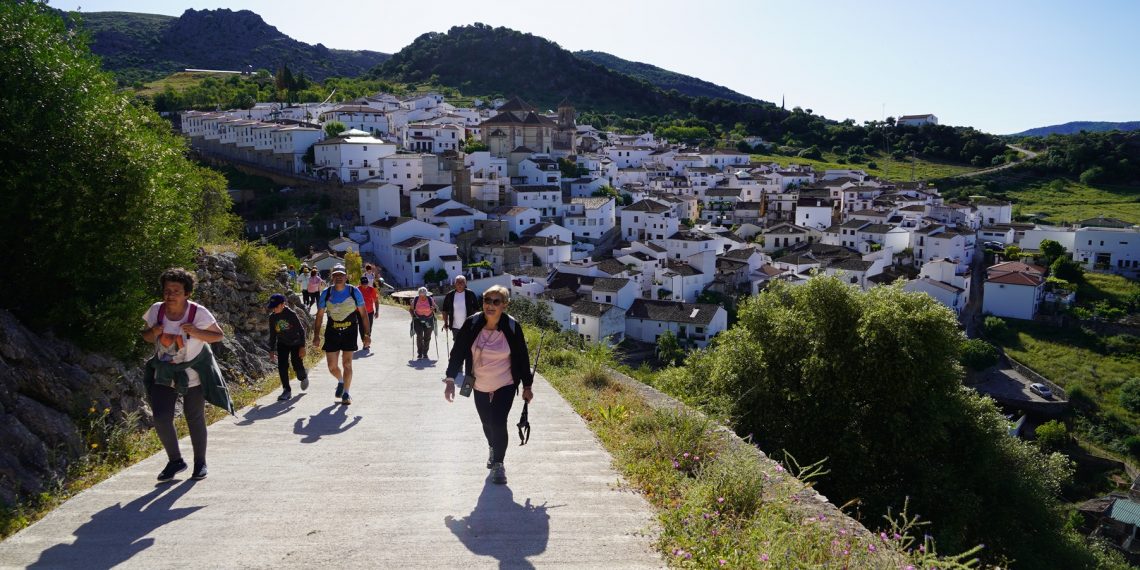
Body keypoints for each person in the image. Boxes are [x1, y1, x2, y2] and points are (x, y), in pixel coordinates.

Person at [141, 268, 233, 482]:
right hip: (164, 372)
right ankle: (175, 461)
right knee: (161, 417)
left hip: (194, 372)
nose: (170, 294)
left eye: (176, 290)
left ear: (187, 293)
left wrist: (196, 332)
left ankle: (200, 463)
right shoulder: (156, 310)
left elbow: (218, 336)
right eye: (167, 290)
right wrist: (153, 332)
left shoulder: (198, 313)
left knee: (195, 418)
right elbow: (146, 337)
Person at [444, 285, 534, 485]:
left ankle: (499, 464)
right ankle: (493, 447)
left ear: (504, 305)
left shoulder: (511, 327)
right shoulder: (473, 323)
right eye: (487, 301)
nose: (490, 306)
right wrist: (450, 379)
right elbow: (458, 352)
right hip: (478, 382)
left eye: (496, 302)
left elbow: (522, 357)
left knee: (498, 421)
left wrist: (527, 386)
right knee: (487, 423)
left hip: (506, 382)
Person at [312, 264, 369, 405]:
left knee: (347, 364)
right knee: (332, 367)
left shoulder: (353, 291)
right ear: (332, 277)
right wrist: (316, 335)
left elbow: (363, 314)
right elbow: (319, 316)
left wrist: (366, 335)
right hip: (332, 331)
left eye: (341, 275)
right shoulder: (326, 293)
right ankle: (341, 381)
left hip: (350, 330)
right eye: (335, 275)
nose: (338, 277)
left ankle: (346, 394)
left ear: (346, 277)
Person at [267, 293, 309, 401]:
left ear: (283, 304)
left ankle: (303, 375)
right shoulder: (272, 317)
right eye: (272, 307)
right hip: (282, 343)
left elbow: (301, 330)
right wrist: (271, 350)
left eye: (276, 307)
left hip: (296, 343)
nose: (274, 309)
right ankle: (286, 390)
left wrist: (302, 346)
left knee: (297, 365)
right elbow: (273, 334)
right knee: (282, 366)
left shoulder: (291, 314)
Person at [441, 275, 480, 375]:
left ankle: (469, 367)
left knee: (469, 346)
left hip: (469, 326)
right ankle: (459, 367)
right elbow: (444, 310)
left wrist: (476, 323)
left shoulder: (470, 294)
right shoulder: (450, 295)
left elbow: (476, 309)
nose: (460, 284)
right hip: (455, 326)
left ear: (465, 283)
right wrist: (445, 323)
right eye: (458, 282)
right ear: (455, 284)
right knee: (458, 346)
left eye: (462, 282)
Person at [409, 287, 437, 360]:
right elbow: (411, 309)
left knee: (427, 337)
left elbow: (434, 308)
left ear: (426, 294)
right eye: (421, 296)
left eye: (423, 296)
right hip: (418, 319)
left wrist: (433, 308)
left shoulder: (430, 299)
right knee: (419, 336)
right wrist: (413, 316)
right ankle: (420, 353)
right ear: (419, 295)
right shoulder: (416, 299)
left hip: (429, 319)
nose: (422, 297)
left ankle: (425, 353)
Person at [358, 276, 379, 347]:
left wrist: (377, 311)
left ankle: (367, 341)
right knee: (361, 327)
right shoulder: (357, 290)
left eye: (366, 283)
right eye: (363, 284)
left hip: (370, 312)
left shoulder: (372, 290)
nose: (365, 285)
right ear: (360, 283)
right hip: (359, 312)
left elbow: (376, 301)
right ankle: (364, 341)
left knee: (369, 327)